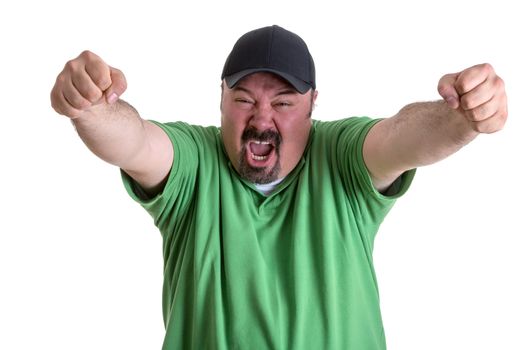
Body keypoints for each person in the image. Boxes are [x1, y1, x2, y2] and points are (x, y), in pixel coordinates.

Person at [50, 25, 507, 349]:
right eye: (244, 99)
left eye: (284, 102)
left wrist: (461, 117)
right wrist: (90, 106)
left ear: (313, 104)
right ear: (221, 100)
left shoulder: (340, 156)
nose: (261, 120)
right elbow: (134, 141)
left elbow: (401, 136)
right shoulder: (195, 163)